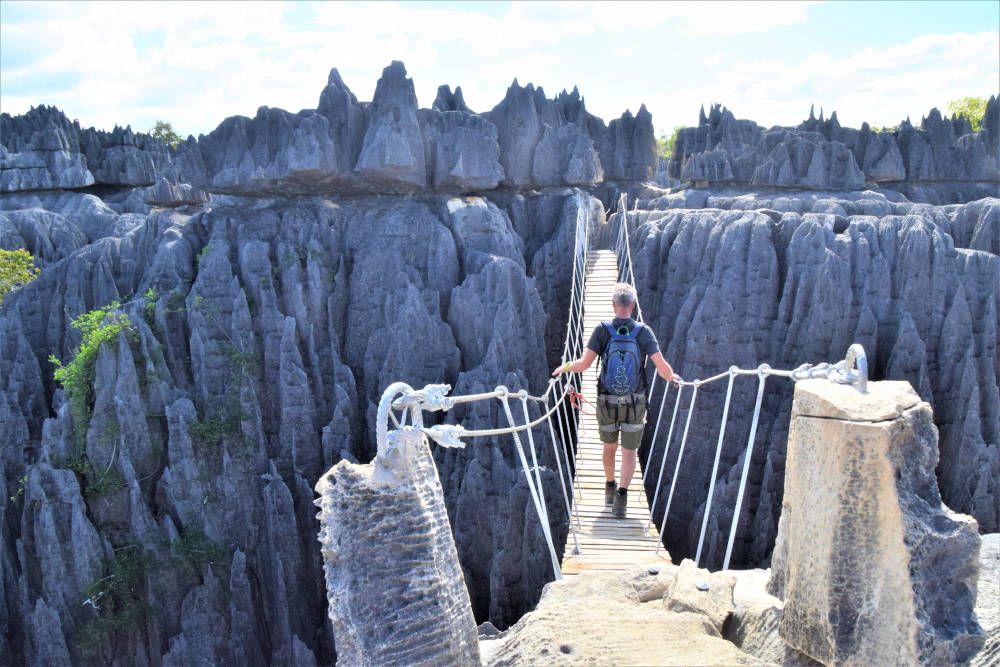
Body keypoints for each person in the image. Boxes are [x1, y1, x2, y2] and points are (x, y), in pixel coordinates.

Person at [552, 283, 676, 518]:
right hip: (635, 402)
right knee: (629, 453)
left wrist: (564, 367)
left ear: (613, 305)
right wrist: (673, 377)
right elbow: (662, 367)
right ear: (633, 305)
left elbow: (584, 365)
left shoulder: (602, 330)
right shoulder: (644, 332)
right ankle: (622, 496)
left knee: (609, 448)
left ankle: (609, 485)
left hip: (607, 401)